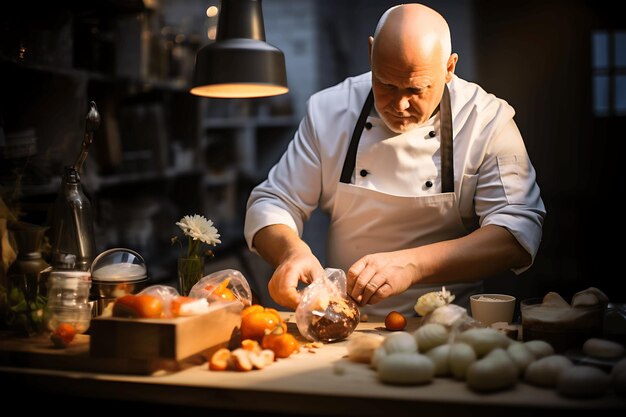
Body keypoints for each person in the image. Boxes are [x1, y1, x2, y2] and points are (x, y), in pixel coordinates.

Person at [244, 3, 545, 316]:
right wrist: (290, 251)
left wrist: (412, 265)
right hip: (347, 319)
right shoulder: (329, 110)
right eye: (386, 84)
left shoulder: (486, 120)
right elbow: (273, 201)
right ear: (371, 53)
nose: (399, 105)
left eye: (416, 89)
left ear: (449, 68)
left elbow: (515, 233)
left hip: (450, 326)